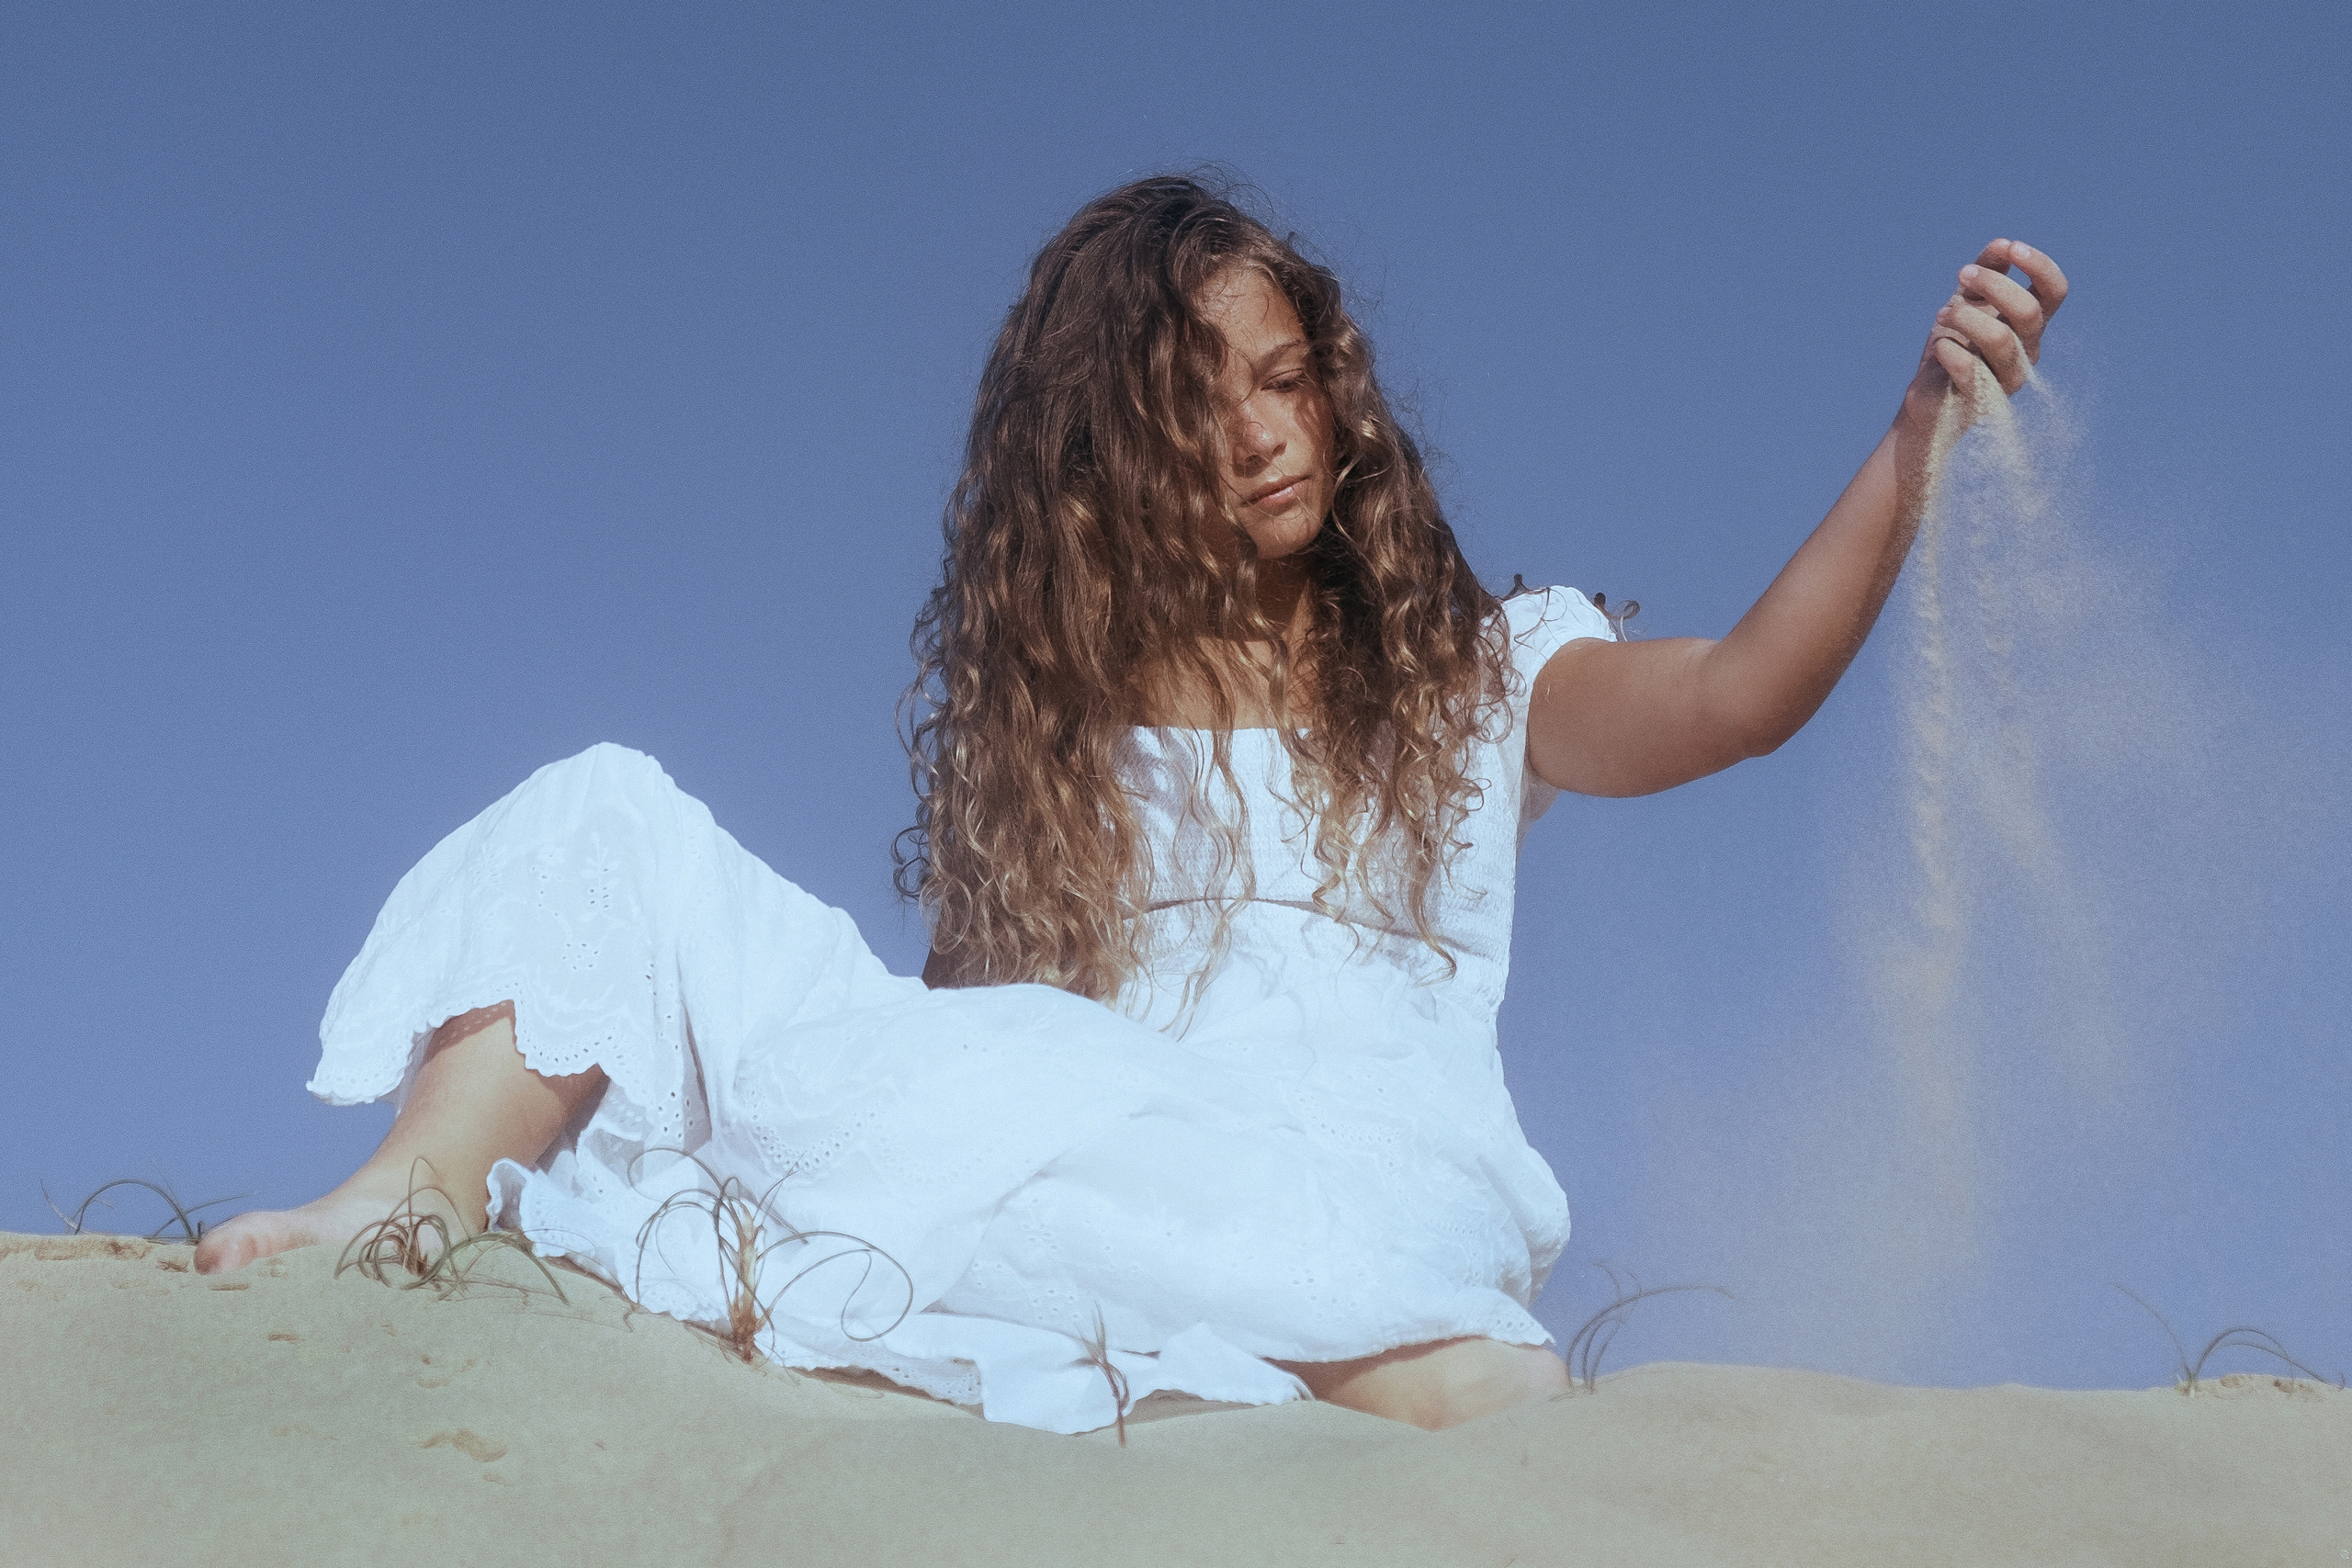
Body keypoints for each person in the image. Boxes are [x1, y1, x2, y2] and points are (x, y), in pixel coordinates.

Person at [194, 176, 2066, 1434]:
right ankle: (409, 1194)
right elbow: (963, 1055)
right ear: (1110, 456)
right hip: (1074, 1149)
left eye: (1284, 377)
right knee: (603, 810)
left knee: (1473, 1394)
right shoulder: (1061, 743)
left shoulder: (1477, 677)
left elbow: (1738, 696)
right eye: (1198, 400)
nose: (1260, 432)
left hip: (1341, 1200)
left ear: (1335, 396)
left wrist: (1910, 442)